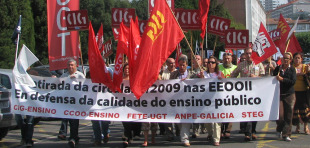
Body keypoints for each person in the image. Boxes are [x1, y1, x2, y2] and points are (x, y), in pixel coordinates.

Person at [231, 47, 265, 141]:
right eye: (247, 53)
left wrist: (256, 77)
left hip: (256, 92)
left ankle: (253, 131)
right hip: (245, 93)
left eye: (250, 53)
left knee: (255, 113)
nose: (249, 55)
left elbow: (263, 77)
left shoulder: (259, 64)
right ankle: (247, 132)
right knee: (246, 113)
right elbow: (233, 74)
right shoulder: (241, 65)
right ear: (245, 54)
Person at [60, 58, 85, 148]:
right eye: (69, 65)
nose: (70, 67)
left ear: (75, 66)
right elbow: (58, 85)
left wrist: (77, 81)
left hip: (76, 102)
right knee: (66, 118)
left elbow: (86, 86)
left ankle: (73, 138)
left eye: (72, 65)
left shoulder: (80, 75)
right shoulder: (64, 75)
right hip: (66, 101)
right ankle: (73, 136)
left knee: (74, 120)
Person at [273, 52, 296, 141]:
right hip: (279, 94)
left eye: (287, 59)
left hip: (289, 94)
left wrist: (282, 79)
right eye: (284, 58)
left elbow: (292, 81)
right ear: (281, 59)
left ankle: (286, 134)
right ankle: (279, 128)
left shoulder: (292, 69)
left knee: (288, 115)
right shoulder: (278, 68)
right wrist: (275, 73)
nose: (286, 60)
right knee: (280, 115)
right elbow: (273, 77)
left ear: (290, 60)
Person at [170, 55, 192, 147]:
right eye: (180, 65)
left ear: (187, 65)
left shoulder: (192, 74)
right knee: (179, 120)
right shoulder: (174, 74)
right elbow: (169, 85)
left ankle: (185, 138)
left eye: (183, 65)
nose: (182, 67)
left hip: (189, 101)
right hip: (177, 100)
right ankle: (182, 134)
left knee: (186, 119)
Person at [201, 56, 223, 146]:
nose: (210, 64)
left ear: (216, 64)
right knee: (207, 120)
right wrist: (201, 78)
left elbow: (226, 84)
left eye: (213, 62)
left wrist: (222, 80)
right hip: (206, 100)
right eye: (209, 62)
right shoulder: (204, 73)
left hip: (217, 100)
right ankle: (210, 133)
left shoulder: (219, 73)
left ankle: (216, 138)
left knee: (217, 120)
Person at [86, 71, 111, 146]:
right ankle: (98, 138)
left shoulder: (106, 74)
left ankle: (106, 132)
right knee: (95, 123)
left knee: (105, 122)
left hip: (104, 104)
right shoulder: (89, 74)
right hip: (92, 105)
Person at [158, 58, 178, 141]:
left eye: (173, 63)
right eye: (170, 63)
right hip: (166, 99)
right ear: (167, 64)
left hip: (177, 99)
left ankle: (178, 131)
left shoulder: (178, 72)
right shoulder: (163, 73)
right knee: (168, 118)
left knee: (177, 116)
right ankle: (169, 134)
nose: (172, 65)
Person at [122, 63, 142, 147]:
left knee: (132, 121)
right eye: (125, 68)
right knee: (125, 121)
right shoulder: (120, 79)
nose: (127, 70)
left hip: (134, 104)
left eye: (128, 68)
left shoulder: (134, 79)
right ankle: (127, 137)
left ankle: (132, 135)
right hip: (123, 104)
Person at [218, 52, 237, 139]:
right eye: (225, 58)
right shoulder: (219, 67)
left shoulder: (235, 68)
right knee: (221, 112)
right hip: (220, 93)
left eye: (228, 58)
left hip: (231, 93)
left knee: (230, 112)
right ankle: (221, 130)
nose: (227, 60)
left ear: (231, 59)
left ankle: (227, 130)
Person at [292, 52, 310, 135]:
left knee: (304, 108)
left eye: (298, 58)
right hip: (294, 91)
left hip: (303, 91)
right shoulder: (291, 67)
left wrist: (306, 73)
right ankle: (297, 126)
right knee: (295, 109)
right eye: (295, 58)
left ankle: (306, 126)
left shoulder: (305, 67)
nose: (297, 59)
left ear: (301, 59)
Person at [190, 55, 203, 138]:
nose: (196, 60)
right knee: (194, 113)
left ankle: (205, 128)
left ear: (201, 61)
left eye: (198, 59)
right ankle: (195, 130)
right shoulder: (189, 71)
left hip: (202, 95)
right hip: (192, 96)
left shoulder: (204, 70)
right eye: (195, 59)